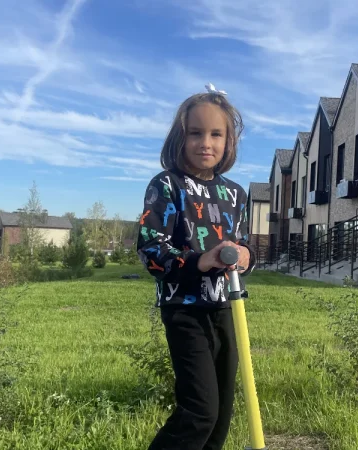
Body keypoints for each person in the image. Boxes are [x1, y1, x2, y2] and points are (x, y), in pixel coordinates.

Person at [137, 84, 256, 450]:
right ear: (181, 137)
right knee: (200, 410)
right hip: (184, 309)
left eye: (216, 134)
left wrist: (246, 255)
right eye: (195, 133)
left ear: (229, 141)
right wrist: (198, 260)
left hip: (226, 307)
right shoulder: (167, 186)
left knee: (221, 415)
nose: (206, 143)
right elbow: (151, 248)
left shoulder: (235, 193)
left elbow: (243, 244)